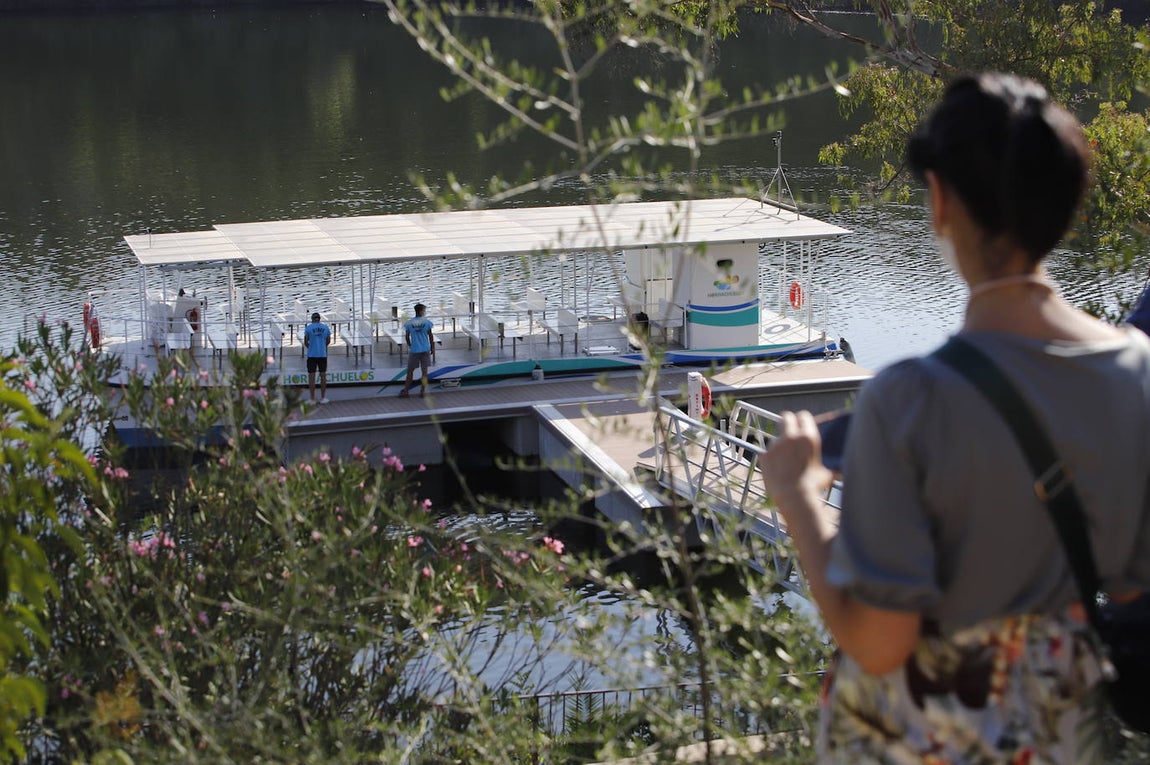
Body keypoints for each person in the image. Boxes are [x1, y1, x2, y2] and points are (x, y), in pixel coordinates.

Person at [758, 73, 1150, 763]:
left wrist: (799, 501)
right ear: (1067, 204)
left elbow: (880, 642)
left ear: (940, 202)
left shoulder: (909, 400)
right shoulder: (1136, 372)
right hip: (1066, 735)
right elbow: (1128, 583)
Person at [399, 302, 435, 397]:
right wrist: (432, 347)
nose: (424, 312)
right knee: (424, 373)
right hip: (425, 349)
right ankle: (422, 392)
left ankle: (406, 391)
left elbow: (407, 336)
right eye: (424, 310)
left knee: (410, 372)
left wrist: (410, 345)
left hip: (415, 350)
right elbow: (430, 335)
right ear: (420, 311)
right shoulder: (427, 322)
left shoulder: (409, 323)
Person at [303, 312, 331, 404]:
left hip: (312, 355)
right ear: (319, 319)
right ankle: (323, 398)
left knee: (312, 377)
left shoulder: (309, 328)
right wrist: (322, 346)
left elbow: (306, 341)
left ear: (312, 319)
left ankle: (312, 398)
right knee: (323, 376)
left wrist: (311, 347)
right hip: (322, 355)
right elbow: (328, 341)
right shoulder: (325, 328)